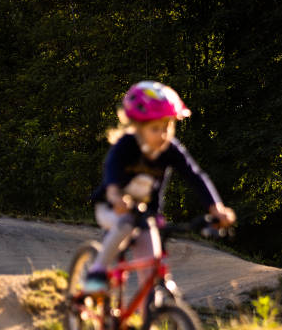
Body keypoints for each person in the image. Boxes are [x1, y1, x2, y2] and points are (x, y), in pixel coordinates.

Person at [86, 80, 235, 293]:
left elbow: (195, 175)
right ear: (138, 128)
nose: (163, 135)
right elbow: (111, 170)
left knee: (152, 274)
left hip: (145, 215)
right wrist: (114, 194)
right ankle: (97, 271)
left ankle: (149, 320)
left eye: (168, 127)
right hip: (111, 209)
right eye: (155, 129)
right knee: (126, 223)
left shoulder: (170, 149)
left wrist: (216, 208)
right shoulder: (126, 145)